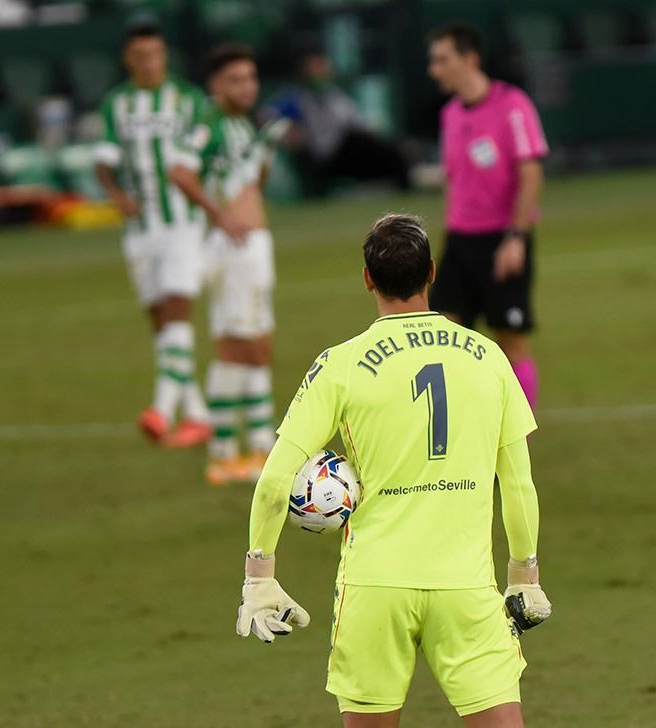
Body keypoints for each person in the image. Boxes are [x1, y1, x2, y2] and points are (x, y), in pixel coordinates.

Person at [235, 214, 553, 728]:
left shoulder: (339, 364)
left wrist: (259, 576)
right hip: (466, 588)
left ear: (367, 278)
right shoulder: (490, 357)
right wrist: (524, 575)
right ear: (432, 272)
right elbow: (518, 481)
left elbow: (276, 478)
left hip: (374, 587)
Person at [93, 19, 212, 448]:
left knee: (178, 311)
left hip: (182, 223)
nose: (149, 62)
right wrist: (117, 195)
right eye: (140, 55)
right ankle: (198, 414)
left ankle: (161, 411)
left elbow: (203, 155)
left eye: (155, 54)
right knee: (162, 326)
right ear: (129, 59)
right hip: (140, 231)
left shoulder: (188, 100)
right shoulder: (116, 105)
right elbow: (102, 161)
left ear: (164, 55)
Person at [168, 44, 282, 487]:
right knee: (236, 344)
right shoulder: (209, 124)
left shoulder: (240, 126)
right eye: (235, 79)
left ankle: (258, 447)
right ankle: (221, 455)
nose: (246, 87)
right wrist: (220, 216)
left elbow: (252, 185)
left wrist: (264, 158)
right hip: (232, 249)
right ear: (215, 85)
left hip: (254, 246)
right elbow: (179, 171)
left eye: (251, 78)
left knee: (257, 345)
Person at [427, 23, 548, 411]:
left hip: (503, 238)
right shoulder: (449, 115)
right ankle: (466, 433)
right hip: (461, 242)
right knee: (442, 340)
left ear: (470, 59)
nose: (435, 69)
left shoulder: (512, 105)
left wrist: (516, 237)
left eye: (443, 59)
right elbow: (455, 182)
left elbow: (530, 174)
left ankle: (518, 444)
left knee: (510, 341)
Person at [273, 49, 411, 197]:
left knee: (387, 150)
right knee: (360, 142)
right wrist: (289, 131)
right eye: (315, 68)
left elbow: (357, 122)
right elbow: (267, 115)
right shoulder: (296, 99)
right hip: (324, 156)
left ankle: (402, 185)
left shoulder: (335, 95)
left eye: (323, 67)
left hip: (347, 149)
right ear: (304, 71)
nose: (320, 72)